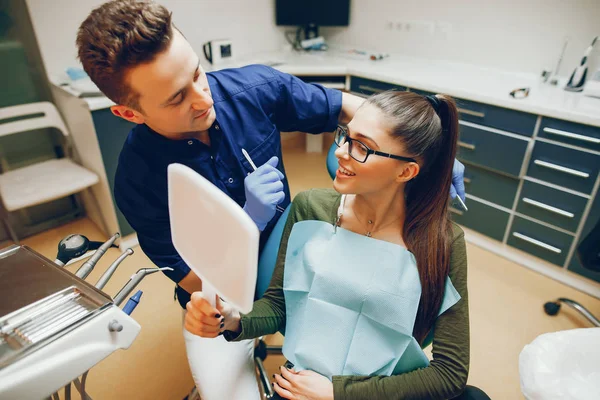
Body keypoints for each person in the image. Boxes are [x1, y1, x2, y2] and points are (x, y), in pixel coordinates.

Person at [75, 1, 466, 398]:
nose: (202, 99)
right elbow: (198, 281)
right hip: (220, 289)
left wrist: (427, 153)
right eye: (176, 99)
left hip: (296, 252)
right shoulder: (137, 180)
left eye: (197, 73)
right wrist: (246, 228)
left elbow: (352, 109)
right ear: (130, 113)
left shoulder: (252, 90)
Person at [185, 91, 489, 400]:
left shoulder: (442, 242)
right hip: (303, 383)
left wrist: (338, 393)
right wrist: (232, 319)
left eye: (363, 147)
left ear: (405, 171)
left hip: (384, 390)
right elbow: (278, 305)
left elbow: (450, 373)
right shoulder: (310, 208)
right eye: (346, 135)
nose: (341, 152)